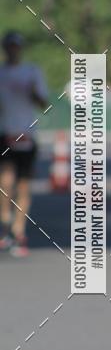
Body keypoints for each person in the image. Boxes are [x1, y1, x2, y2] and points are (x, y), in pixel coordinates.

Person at [0, 32, 49, 257]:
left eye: (17, 46)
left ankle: (18, 231)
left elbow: (43, 103)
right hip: (4, 132)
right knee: (6, 181)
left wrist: (33, 92)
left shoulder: (31, 72)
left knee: (23, 185)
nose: (14, 50)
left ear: (21, 49)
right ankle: (5, 222)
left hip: (27, 134)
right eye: (10, 46)